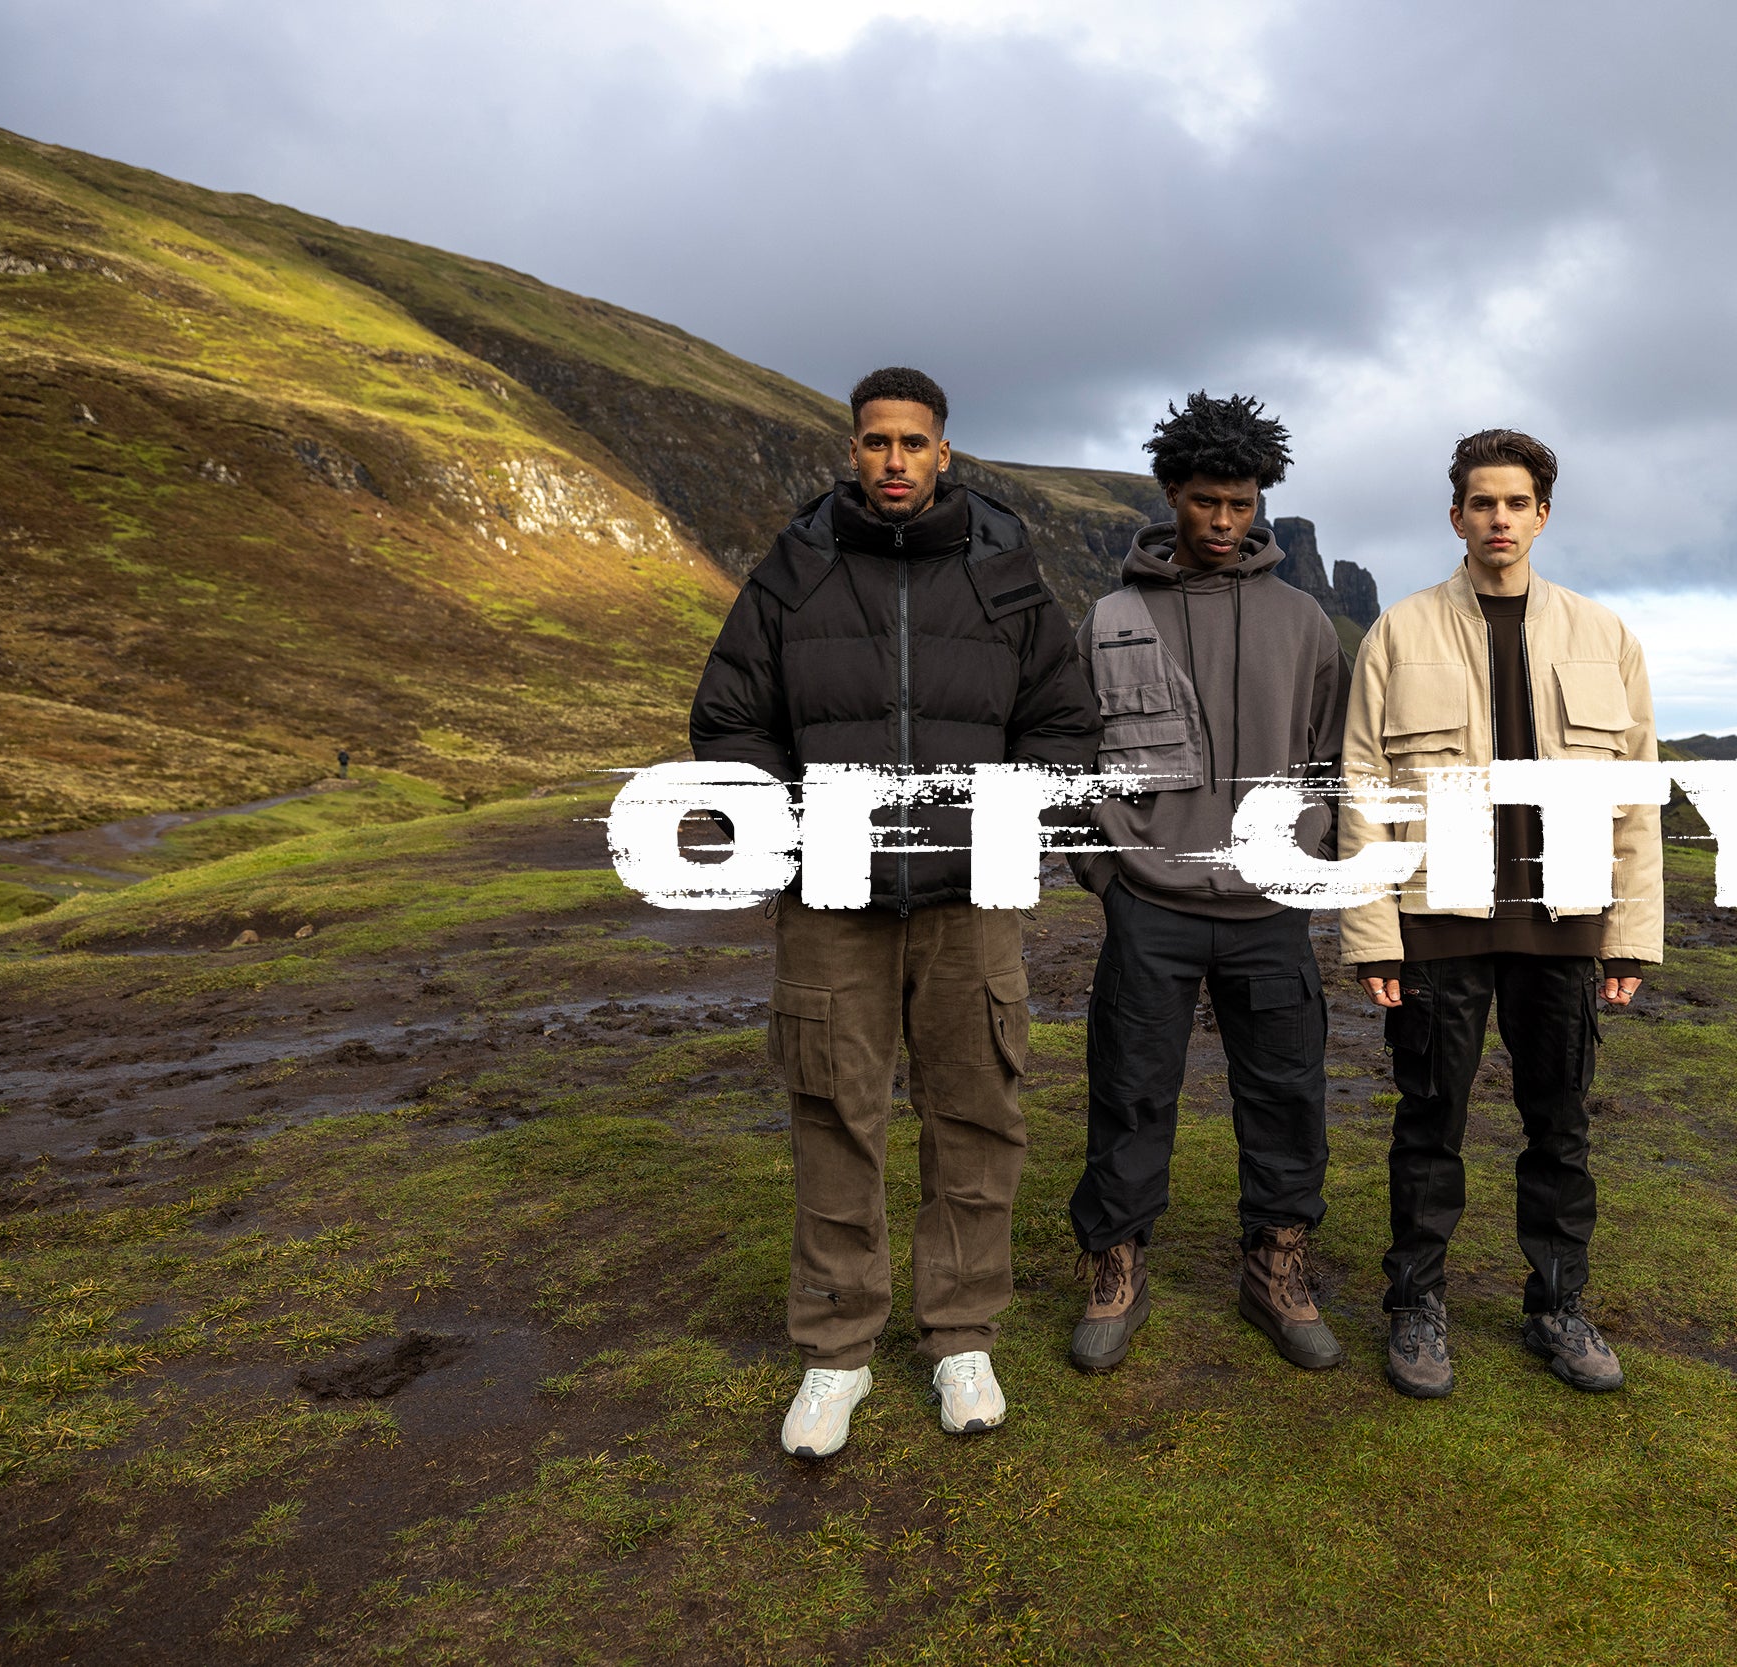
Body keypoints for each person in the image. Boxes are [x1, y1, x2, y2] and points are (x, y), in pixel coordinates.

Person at [689, 367, 1100, 1458]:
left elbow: (1065, 725)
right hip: (834, 903)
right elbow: (730, 718)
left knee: (977, 1115)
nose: (894, 460)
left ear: (944, 453)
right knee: (835, 1115)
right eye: (876, 441)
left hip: (971, 906)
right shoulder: (793, 575)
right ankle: (836, 1354)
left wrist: (1008, 832)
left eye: (914, 443)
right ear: (853, 449)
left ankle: (960, 1335)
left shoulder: (1007, 578)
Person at [1337, 429, 1660, 1399]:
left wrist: (1631, 930)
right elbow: (1361, 787)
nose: (1499, 519)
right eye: (1482, 502)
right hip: (1438, 923)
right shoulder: (1398, 631)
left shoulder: (1604, 637)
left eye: (1516, 503)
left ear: (1542, 515)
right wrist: (1371, 931)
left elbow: (1637, 795)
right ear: (1456, 516)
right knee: (1428, 1121)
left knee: (1558, 1124)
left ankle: (1556, 1303)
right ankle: (1416, 1306)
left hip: (1563, 927)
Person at [1065, 393, 1351, 1375]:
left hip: (1271, 906)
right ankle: (1115, 1265)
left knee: (1285, 1094)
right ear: (1171, 497)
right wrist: (1104, 872)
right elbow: (1075, 759)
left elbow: (1329, 758)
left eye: (1241, 502)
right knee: (1130, 1090)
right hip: (1149, 903)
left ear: (1260, 498)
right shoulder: (1110, 617)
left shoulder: (1306, 620)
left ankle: (1275, 1268)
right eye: (1204, 502)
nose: (1224, 521)